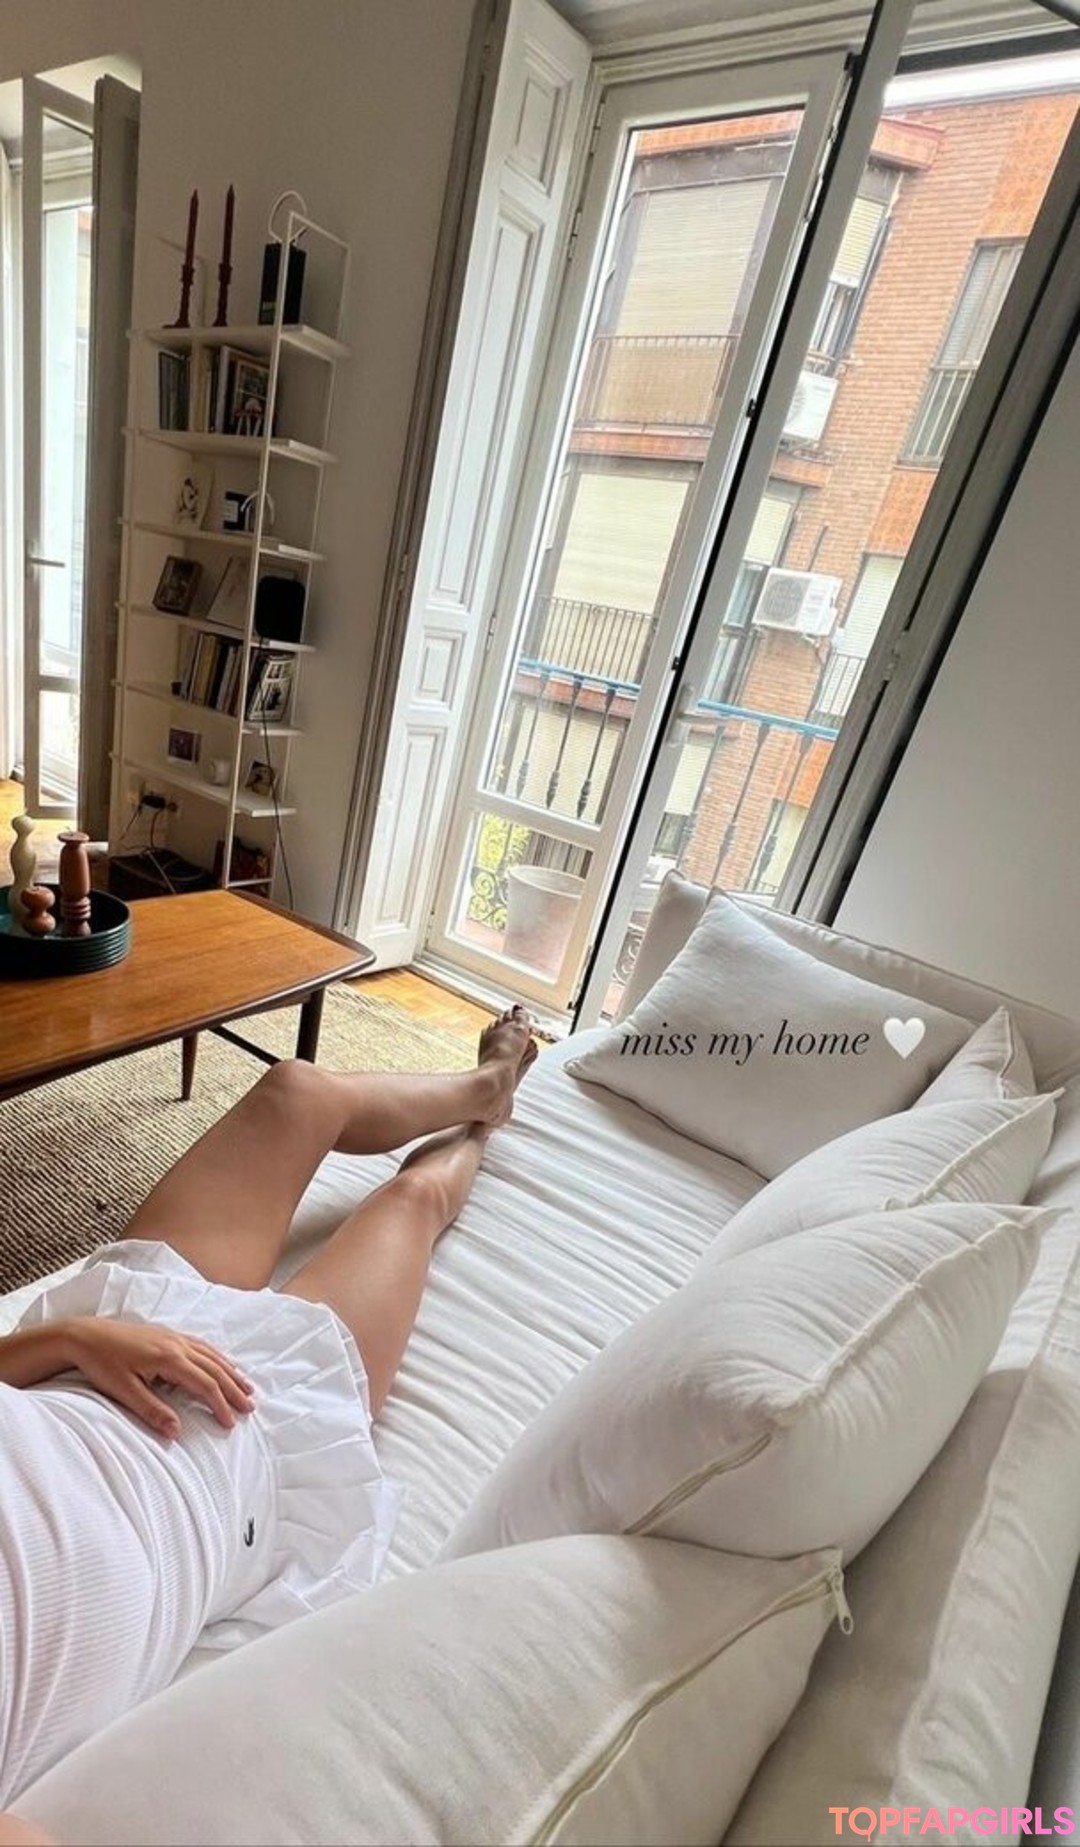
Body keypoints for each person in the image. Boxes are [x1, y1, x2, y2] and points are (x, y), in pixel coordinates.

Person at [0, 1007, 537, 1817]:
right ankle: (484, 1117)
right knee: (411, 1200)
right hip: (240, 1443)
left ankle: (484, 1085)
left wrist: (70, 1337)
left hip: (93, 1357)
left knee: (297, 1091)